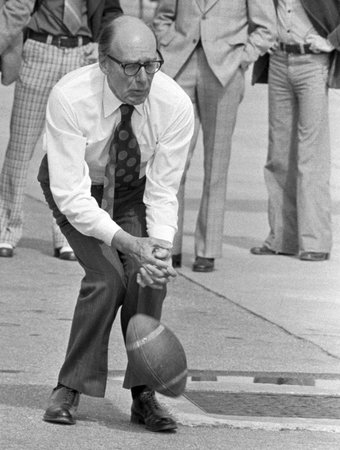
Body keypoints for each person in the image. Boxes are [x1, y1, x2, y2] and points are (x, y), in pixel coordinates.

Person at [37, 15, 194, 431]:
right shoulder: (70, 97)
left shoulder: (175, 104)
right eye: (129, 66)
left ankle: (144, 395)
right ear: (103, 62)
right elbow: (70, 193)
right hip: (78, 189)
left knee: (148, 275)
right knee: (107, 277)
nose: (142, 78)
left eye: (151, 64)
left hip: (132, 190)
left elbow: (162, 190)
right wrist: (126, 240)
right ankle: (69, 386)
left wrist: (157, 247)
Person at [152, 0, 277, 272]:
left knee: (216, 165)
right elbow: (162, 16)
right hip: (180, 67)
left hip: (225, 70)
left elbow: (267, 28)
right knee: (174, 163)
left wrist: (242, 57)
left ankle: (207, 250)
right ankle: (168, 243)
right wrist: (169, 41)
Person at [0, 0, 123, 260]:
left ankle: (67, 236)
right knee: (20, 149)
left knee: (74, 152)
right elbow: (17, 8)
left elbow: (111, 10)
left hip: (81, 55)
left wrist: (101, 45)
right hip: (39, 51)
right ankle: (6, 229)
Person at [251, 0, 340, 262]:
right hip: (278, 60)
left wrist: (333, 40)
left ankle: (316, 241)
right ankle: (282, 238)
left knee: (311, 156)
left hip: (313, 63)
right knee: (278, 155)